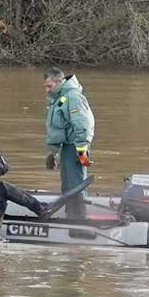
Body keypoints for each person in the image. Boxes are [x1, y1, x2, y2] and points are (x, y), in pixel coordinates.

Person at [42, 67, 95, 219]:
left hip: (75, 147)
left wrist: (81, 151)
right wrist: (53, 153)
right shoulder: (61, 98)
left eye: (49, 86)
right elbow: (59, 129)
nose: (46, 90)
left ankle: (78, 218)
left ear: (59, 82)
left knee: (75, 185)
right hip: (66, 147)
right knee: (67, 185)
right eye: (45, 87)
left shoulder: (73, 97)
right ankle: (71, 215)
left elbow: (83, 124)